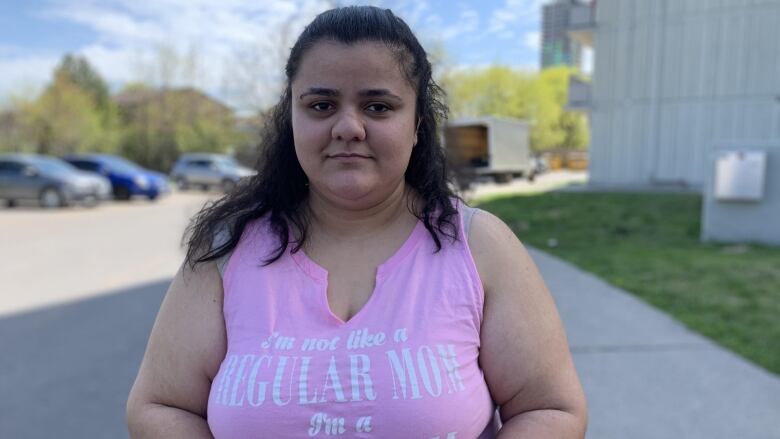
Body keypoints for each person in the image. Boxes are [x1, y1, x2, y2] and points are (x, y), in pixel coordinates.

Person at [126, 6, 587, 438]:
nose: (348, 126)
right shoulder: (226, 250)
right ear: (291, 118)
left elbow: (551, 410)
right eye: (322, 105)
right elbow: (160, 405)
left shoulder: (479, 246)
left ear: (419, 125)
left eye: (378, 106)